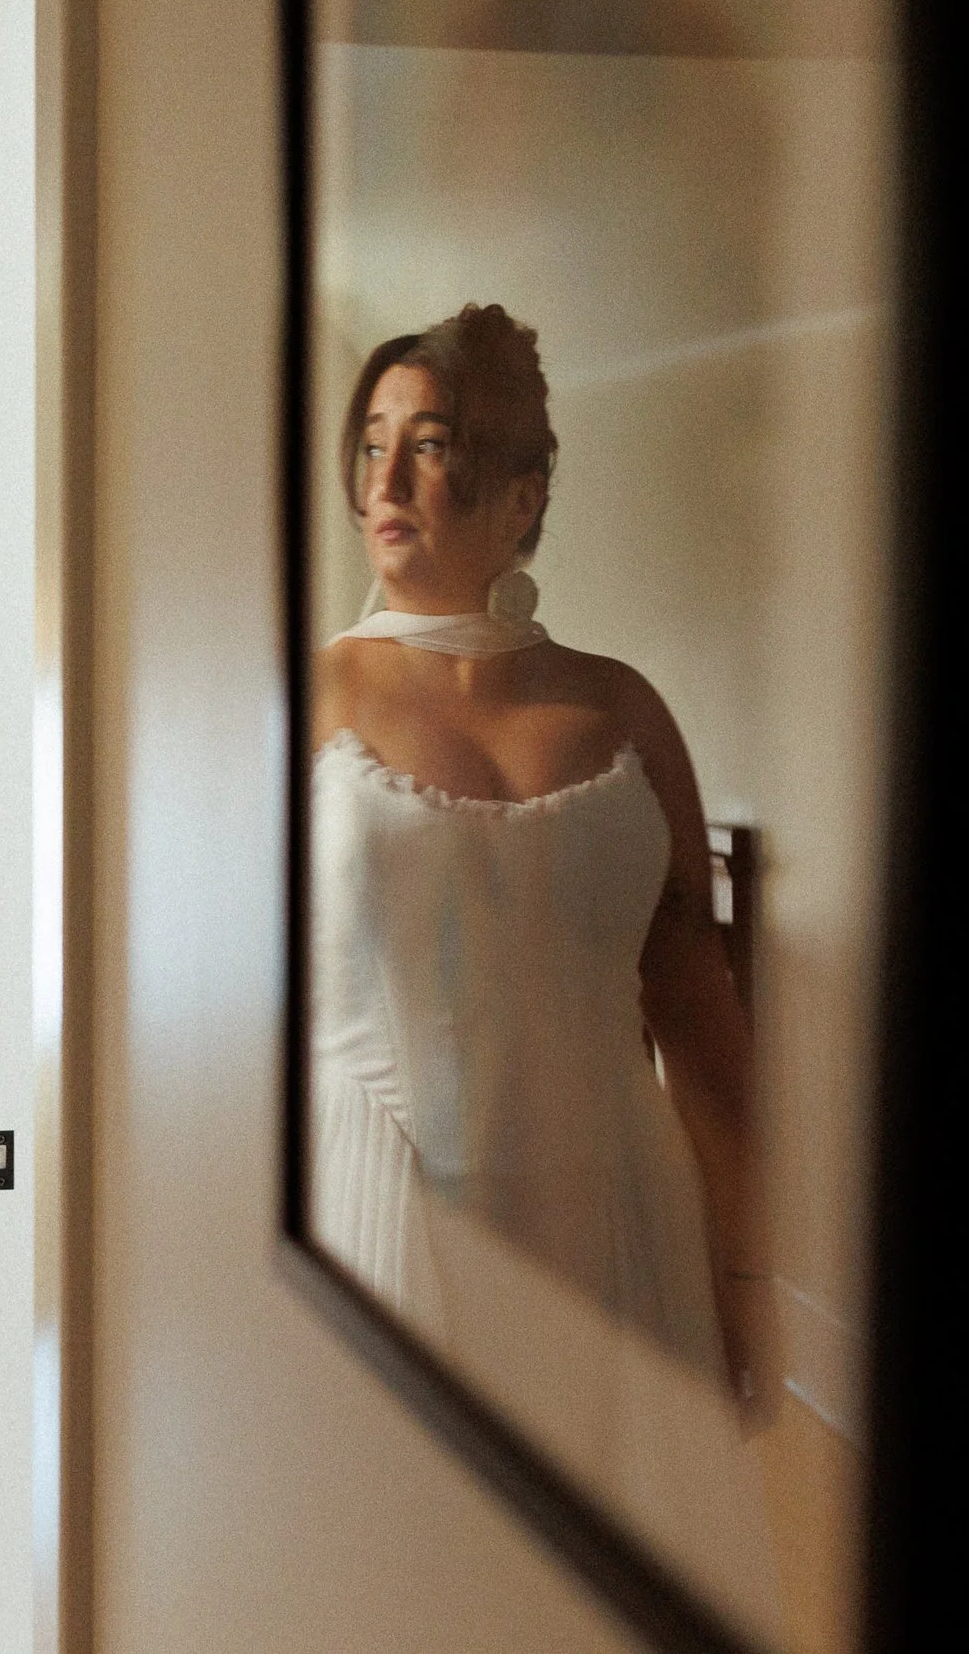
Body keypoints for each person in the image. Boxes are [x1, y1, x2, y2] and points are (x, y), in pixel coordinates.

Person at [308, 303, 775, 1415]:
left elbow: (696, 1004)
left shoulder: (623, 710)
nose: (386, 482)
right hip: (378, 1214)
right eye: (373, 445)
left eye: (427, 446)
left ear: (520, 495)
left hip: (617, 1230)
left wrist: (744, 1270)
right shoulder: (306, 693)